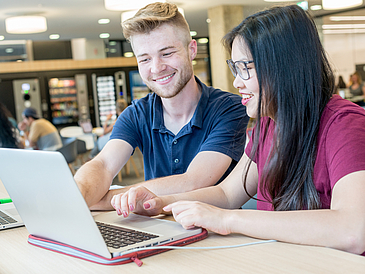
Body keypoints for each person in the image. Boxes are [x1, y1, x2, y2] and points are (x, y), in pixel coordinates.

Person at [112, 5, 365, 255]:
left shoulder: (345, 124)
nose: (236, 82)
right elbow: (226, 193)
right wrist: (159, 204)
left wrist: (228, 220)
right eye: (235, 68)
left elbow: (353, 231)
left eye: (246, 68)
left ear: (285, 67)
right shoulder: (269, 126)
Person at [74, 2, 248, 210]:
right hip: (153, 230)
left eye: (166, 53)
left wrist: (107, 199)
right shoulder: (137, 114)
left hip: (216, 234)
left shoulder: (229, 109)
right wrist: (79, 197)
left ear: (191, 50)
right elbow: (102, 165)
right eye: (145, 59)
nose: (156, 68)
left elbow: (193, 182)